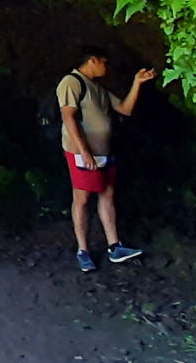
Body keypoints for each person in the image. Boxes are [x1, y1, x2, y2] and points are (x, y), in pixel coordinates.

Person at [58, 46, 154, 272]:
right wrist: (84, 151)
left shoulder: (98, 88)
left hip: (104, 152)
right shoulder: (72, 82)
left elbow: (125, 109)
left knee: (107, 194)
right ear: (92, 60)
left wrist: (137, 83)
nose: (107, 67)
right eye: (104, 62)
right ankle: (83, 250)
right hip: (82, 153)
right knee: (81, 198)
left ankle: (115, 246)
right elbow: (68, 118)